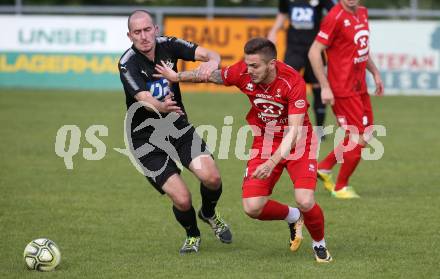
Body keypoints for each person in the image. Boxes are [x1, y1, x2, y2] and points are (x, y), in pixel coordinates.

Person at [155, 38, 332, 263]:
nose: (248, 70)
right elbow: (215, 76)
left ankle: (320, 245)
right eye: (247, 64)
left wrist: (271, 163)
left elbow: (295, 131)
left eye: (254, 66)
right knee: (252, 207)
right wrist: (177, 77)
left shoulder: (292, 81)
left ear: (272, 64)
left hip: (299, 142)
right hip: (265, 141)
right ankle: (294, 217)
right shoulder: (244, 72)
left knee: (305, 199)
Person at [118, 10, 232, 255]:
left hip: (177, 126)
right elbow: (144, 99)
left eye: (147, 29)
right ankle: (192, 235)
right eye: (137, 32)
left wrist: (212, 63)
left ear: (155, 29)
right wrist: (161, 106)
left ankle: (209, 213)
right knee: (182, 198)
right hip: (145, 140)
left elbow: (210, 54)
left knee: (212, 178)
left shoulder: (169, 45)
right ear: (130, 36)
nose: (144, 36)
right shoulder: (127, 62)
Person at [308, 0, 384, 199]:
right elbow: (314, 51)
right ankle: (341, 187)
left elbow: (361, 50)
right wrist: (325, 87)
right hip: (342, 89)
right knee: (358, 137)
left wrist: (375, 73)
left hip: (359, 86)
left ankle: (324, 168)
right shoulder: (335, 17)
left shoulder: (363, 13)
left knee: (365, 135)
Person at [268, 0, 335, 137]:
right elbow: (282, 13)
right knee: (286, 85)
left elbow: (334, 13)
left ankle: (319, 130)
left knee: (318, 86)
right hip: (294, 48)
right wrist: (274, 30)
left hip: (315, 48)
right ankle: (284, 126)